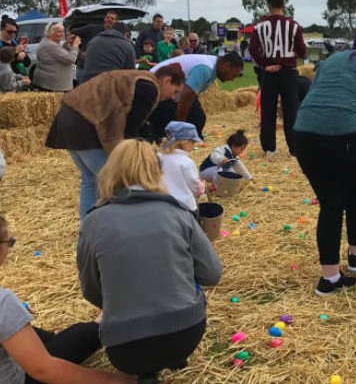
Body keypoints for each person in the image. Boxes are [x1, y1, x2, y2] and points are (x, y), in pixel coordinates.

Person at [77, 139, 222, 383]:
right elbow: (212, 274)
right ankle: (174, 359)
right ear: (157, 171)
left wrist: (122, 305)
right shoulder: (178, 213)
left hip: (126, 347)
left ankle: (146, 374)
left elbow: (91, 290)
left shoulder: (93, 222)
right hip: (187, 331)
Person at [293, 26, 356, 296]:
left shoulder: (330, 62)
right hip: (348, 132)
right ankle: (355, 254)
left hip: (304, 133)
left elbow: (316, 97)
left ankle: (329, 278)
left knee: (330, 204)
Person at [0, 215, 132, 384]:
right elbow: (44, 370)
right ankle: (99, 326)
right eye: (9, 242)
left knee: (37, 334)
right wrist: (112, 380)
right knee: (69, 343)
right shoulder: (4, 303)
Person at [46, 66, 186, 220]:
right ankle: (121, 227)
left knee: (90, 180)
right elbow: (130, 132)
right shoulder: (149, 88)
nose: (173, 97)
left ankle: (87, 228)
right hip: (87, 125)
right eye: (175, 92)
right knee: (118, 183)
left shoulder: (136, 78)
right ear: (167, 81)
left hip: (68, 118)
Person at [249, 0, 307, 158]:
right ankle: (294, 149)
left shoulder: (260, 26)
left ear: (268, 6)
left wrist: (264, 64)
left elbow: (253, 49)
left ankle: (269, 148)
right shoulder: (293, 26)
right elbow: (302, 51)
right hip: (288, 72)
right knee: (291, 110)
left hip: (269, 72)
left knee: (268, 110)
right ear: (284, 5)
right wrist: (291, 54)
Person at [148, 53, 244, 140]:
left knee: (197, 115)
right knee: (194, 115)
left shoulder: (211, 66)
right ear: (226, 66)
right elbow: (186, 96)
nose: (232, 79)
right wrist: (179, 126)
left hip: (162, 93)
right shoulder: (205, 69)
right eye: (233, 75)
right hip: (154, 93)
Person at [158, 121, 205, 213]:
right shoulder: (186, 162)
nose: (194, 145)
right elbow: (193, 184)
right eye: (193, 142)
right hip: (183, 206)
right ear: (185, 143)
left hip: (161, 203)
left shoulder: (159, 156)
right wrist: (201, 187)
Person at [72, 10, 118, 83]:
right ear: (104, 19)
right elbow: (72, 33)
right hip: (84, 68)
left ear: (115, 21)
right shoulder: (91, 28)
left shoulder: (116, 35)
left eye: (112, 18)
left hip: (103, 70)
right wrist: (77, 50)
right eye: (108, 17)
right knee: (83, 92)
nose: (109, 19)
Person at [32, 22, 79, 92]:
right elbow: (71, 59)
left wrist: (66, 44)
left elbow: (59, 53)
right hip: (53, 85)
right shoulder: (51, 45)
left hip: (51, 83)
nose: (62, 34)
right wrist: (75, 47)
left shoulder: (49, 42)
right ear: (51, 32)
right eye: (59, 32)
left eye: (63, 31)